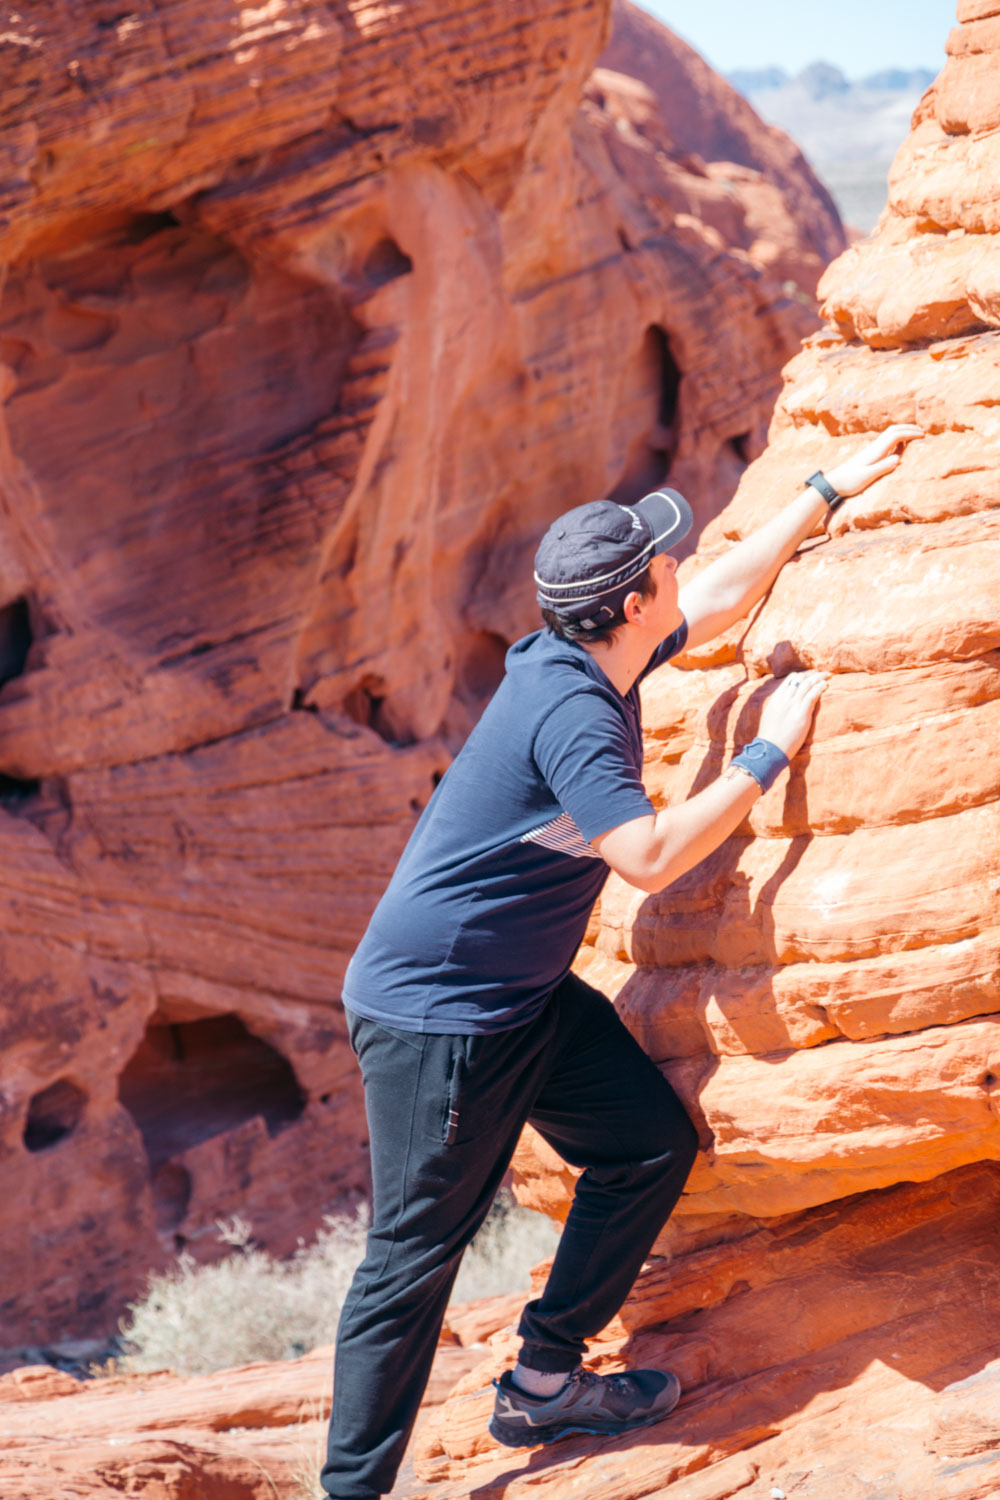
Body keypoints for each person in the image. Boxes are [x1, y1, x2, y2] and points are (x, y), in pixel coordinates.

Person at [320, 423, 923, 1500]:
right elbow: (645, 857)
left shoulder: (594, 648)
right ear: (632, 602)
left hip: (523, 999)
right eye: (663, 562)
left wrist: (823, 490)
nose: (677, 562)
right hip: (438, 1019)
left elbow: (724, 587)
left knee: (645, 1146)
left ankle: (544, 1383)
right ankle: (351, 1488)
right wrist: (762, 756)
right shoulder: (573, 709)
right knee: (412, 1259)